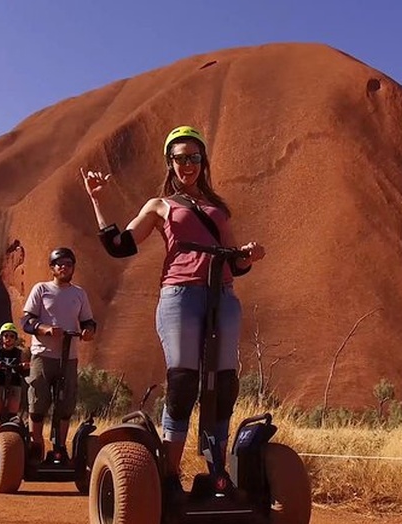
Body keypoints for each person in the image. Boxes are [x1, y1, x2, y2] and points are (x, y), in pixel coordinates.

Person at [81, 125, 266, 489]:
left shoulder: (218, 209)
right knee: (183, 382)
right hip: (180, 295)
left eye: (194, 157)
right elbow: (120, 245)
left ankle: (216, 474)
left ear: (203, 162)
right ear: (170, 162)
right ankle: (169, 472)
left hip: (223, 296)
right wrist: (98, 201)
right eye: (180, 158)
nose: (188, 165)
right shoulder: (159, 206)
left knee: (223, 384)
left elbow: (234, 265)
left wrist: (248, 256)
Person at [20, 247, 97, 463]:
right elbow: (26, 321)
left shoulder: (79, 293)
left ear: (73, 268)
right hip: (43, 355)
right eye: (59, 264)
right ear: (52, 268)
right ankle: (36, 446)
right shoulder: (41, 289)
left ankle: (60, 448)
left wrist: (89, 331)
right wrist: (44, 329)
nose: (64, 267)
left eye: (69, 264)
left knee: (65, 403)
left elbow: (88, 321)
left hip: (69, 356)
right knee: (38, 401)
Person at [0, 322, 29, 436]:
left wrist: (25, 366)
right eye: (6, 336)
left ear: (15, 338)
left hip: (14, 383)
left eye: (11, 336)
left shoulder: (20, 353)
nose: (8, 339)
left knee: (13, 418)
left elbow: (26, 371)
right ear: (2, 338)